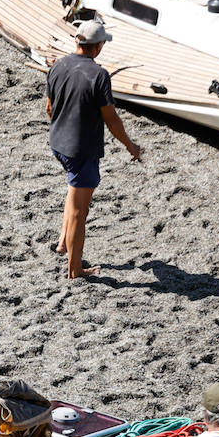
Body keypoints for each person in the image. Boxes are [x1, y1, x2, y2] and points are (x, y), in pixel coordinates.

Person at [45, 19, 142, 279]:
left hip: (58, 144)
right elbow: (111, 119)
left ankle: (63, 243)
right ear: (97, 46)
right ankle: (75, 270)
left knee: (72, 187)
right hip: (81, 150)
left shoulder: (58, 65)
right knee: (80, 211)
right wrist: (130, 146)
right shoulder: (99, 75)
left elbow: (49, 108)